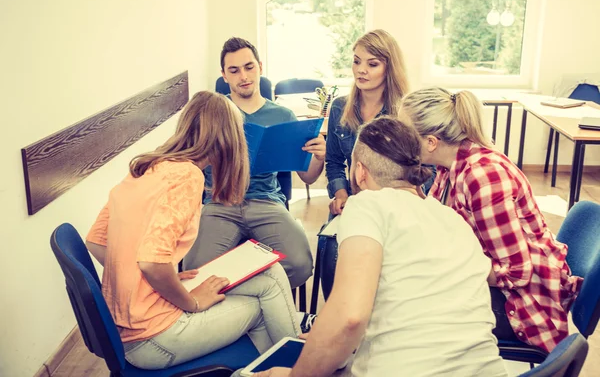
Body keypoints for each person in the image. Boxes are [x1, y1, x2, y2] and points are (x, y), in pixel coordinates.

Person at [254, 117, 508, 377]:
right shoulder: (451, 217)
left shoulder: (366, 205)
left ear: (360, 171)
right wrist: (327, 340)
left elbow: (350, 318)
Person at [85, 91, 301, 370]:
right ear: (228, 138)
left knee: (270, 275)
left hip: (127, 327)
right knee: (264, 308)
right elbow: (151, 262)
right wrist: (192, 301)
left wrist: (164, 279)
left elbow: (96, 242)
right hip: (154, 338)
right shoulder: (187, 175)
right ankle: (297, 365)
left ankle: (290, 358)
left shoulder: (146, 166)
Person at [400, 87, 583, 353]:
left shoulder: (482, 177)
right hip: (498, 282)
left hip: (523, 303)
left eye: (404, 132)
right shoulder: (448, 165)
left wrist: (451, 271)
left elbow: (517, 274)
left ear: (430, 142)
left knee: (409, 312)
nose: (398, 138)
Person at [183, 37, 325, 290]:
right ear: (224, 76)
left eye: (249, 67)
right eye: (234, 70)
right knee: (195, 275)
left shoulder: (283, 115)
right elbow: (188, 162)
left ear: (260, 66)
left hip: (266, 202)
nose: (243, 76)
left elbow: (308, 177)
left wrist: (321, 156)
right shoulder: (213, 112)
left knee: (301, 265)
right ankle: (256, 301)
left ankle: (253, 298)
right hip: (219, 203)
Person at [320, 29, 434, 299]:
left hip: (397, 206)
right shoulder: (339, 107)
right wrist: (340, 194)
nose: (361, 70)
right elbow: (335, 162)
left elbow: (425, 170)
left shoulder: (405, 112)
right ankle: (337, 316)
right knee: (330, 251)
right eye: (356, 61)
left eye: (372, 64)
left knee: (389, 266)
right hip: (355, 203)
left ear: (389, 68)